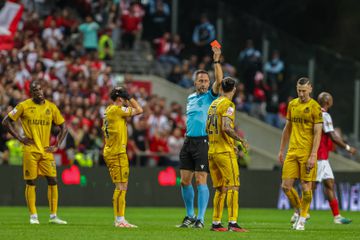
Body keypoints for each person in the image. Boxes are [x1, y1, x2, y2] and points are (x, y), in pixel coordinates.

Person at [2, 80, 68, 224]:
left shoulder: (51, 107)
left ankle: (53, 216)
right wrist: (20, 138)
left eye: (40, 89)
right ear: (31, 93)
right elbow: (6, 121)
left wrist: (57, 145)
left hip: (46, 150)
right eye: (35, 90)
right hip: (30, 150)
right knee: (31, 182)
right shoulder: (23, 106)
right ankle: (33, 216)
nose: (39, 92)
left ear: (43, 89)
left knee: (53, 180)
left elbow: (64, 127)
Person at [177, 46, 222, 228]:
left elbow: (219, 80)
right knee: (185, 180)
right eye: (200, 80)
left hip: (203, 142)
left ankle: (201, 219)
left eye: (205, 80)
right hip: (188, 141)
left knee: (200, 180)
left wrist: (216, 60)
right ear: (195, 83)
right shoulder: (190, 98)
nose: (203, 83)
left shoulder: (211, 97)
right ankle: (190, 216)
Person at [278, 77, 323, 231]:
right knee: (286, 186)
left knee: (306, 186)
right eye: (299, 90)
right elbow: (287, 128)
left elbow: (318, 133)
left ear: (310, 89)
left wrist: (313, 155)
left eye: (304, 91)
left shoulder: (315, 108)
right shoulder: (292, 105)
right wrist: (281, 150)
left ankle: (302, 219)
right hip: (292, 151)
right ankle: (299, 210)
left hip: (306, 152)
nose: (302, 93)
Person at [207, 77, 249, 232]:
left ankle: (216, 223)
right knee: (233, 186)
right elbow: (226, 127)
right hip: (224, 152)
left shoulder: (213, 104)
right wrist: (240, 140)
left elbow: (209, 128)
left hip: (212, 151)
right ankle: (233, 223)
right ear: (234, 89)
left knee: (220, 188)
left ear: (221, 88)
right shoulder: (228, 105)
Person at [102, 87, 143, 228]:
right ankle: (119, 220)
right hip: (117, 152)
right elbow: (139, 110)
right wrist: (130, 97)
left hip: (111, 150)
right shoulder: (116, 109)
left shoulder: (109, 110)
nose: (126, 101)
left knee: (121, 185)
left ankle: (120, 219)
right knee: (121, 186)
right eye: (124, 98)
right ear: (120, 98)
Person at [315, 92, 356, 224]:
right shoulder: (324, 115)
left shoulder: (314, 113)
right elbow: (333, 137)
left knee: (329, 183)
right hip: (319, 156)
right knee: (311, 186)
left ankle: (337, 216)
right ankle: (298, 213)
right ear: (328, 102)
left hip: (323, 156)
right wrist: (348, 148)